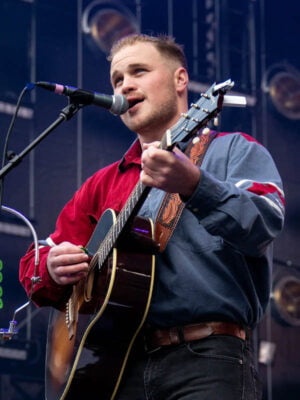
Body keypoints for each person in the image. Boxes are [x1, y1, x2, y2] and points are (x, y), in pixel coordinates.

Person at [19, 34, 285, 400]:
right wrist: (50, 267)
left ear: (180, 80)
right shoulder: (103, 183)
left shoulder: (233, 150)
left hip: (206, 360)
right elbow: (37, 259)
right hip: (114, 367)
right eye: (116, 79)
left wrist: (196, 185)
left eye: (139, 71)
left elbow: (264, 223)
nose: (125, 84)